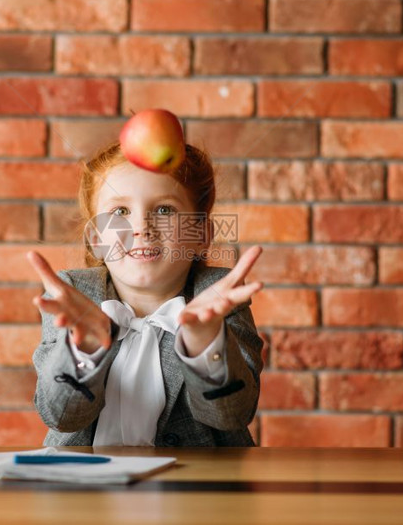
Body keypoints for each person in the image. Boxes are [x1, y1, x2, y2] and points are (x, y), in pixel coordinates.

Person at [26, 138, 264, 447]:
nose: (141, 227)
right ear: (96, 239)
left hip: (194, 489)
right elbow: (60, 416)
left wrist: (205, 344)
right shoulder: (75, 295)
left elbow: (231, 415)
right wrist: (83, 349)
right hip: (82, 488)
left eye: (165, 209)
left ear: (200, 235)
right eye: (120, 210)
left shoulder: (218, 299)